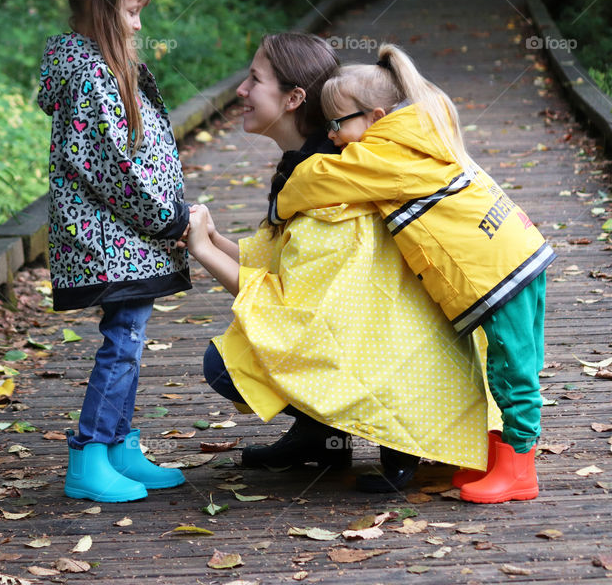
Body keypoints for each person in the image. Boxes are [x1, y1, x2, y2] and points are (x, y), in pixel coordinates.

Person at [187, 32, 498, 494]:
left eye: (254, 79)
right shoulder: (320, 168)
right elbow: (282, 261)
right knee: (249, 352)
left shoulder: (330, 189)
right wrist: (214, 238)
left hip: (410, 372)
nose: (241, 91)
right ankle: (321, 437)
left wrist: (204, 251)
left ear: (294, 98)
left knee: (226, 365)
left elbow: (295, 312)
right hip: (379, 340)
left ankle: (398, 440)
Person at [271, 43, 554, 503]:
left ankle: (520, 468)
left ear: (376, 115)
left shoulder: (387, 156)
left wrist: (280, 201)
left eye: (337, 124)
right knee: (512, 364)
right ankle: (495, 455)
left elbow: (315, 181)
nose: (334, 137)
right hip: (516, 253)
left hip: (495, 272)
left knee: (512, 369)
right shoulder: (420, 133)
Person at [36, 0, 191, 503]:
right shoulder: (91, 75)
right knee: (122, 342)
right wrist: (167, 216)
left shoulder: (107, 68)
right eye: (130, 10)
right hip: (112, 239)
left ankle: (120, 445)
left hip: (126, 239)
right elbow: (112, 163)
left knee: (131, 338)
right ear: (102, 9)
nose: (139, 22)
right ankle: (89, 454)